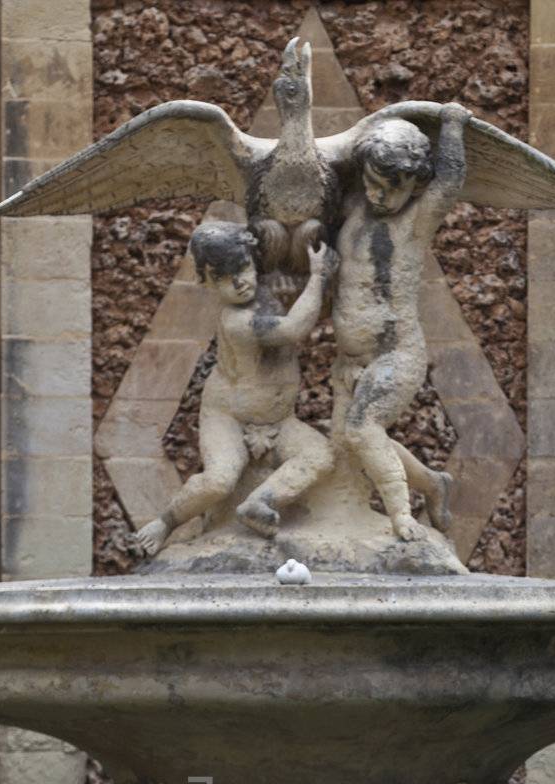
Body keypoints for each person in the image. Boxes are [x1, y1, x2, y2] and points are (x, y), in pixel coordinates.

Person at [129, 219, 337, 557]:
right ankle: (166, 521)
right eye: (224, 279)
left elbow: (307, 305)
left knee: (320, 455)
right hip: (229, 416)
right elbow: (294, 328)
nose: (239, 283)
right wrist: (317, 277)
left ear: (253, 261)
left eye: (243, 268)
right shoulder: (238, 321)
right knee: (220, 480)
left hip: (280, 420)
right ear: (207, 283)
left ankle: (260, 502)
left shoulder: (263, 289)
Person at [330, 107, 470, 541]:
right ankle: (431, 483)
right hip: (349, 361)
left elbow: (449, 183)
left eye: (392, 190)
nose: (378, 197)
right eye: (372, 183)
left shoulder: (415, 221)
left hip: (396, 354)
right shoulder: (354, 206)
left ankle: (400, 517)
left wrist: (452, 124)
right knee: (351, 447)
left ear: (415, 186)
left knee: (362, 430)